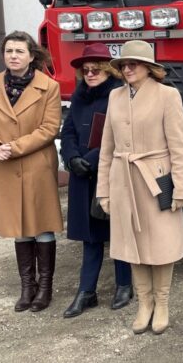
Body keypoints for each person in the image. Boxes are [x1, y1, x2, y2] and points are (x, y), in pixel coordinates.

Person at [96, 40, 183, 335]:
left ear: (149, 67)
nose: (127, 68)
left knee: (162, 245)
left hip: (157, 179)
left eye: (133, 63)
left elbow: (179, 146)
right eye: (123, 64)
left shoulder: (168, 95)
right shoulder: (114, 96)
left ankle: (162, 303)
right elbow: (106, 147)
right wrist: (103, 190)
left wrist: (182, 188)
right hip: (123, 180)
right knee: (131, 245)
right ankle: (144, 303)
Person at [0, 30, 63, 312]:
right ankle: (27, 287)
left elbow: (49, 128)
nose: (13, 56)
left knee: (42, 225)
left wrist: (13, 147)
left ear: (31, 55)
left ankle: (45, 288)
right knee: (18, 226)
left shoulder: (48, 86)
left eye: (19, 51)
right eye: (9, 51)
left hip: (36, 165)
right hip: (2, 165)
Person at [59, 43, 133, 318]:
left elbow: (118, 135)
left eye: (95, 70)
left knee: (117, 231)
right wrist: (71, 157)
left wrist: (88, 159)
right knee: (89, 237)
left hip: (108, 172)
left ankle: (124, 285)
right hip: (81, 176)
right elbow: (67, 131)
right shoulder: (79, 96)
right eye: (85, 70)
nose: (90, 74)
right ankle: (86, 291)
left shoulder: (119, 95)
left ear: (107, 71)